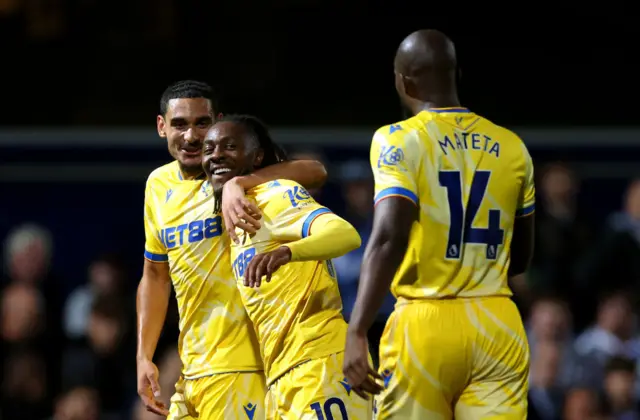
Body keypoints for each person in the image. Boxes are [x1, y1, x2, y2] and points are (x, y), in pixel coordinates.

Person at [343, 30, 535, 419]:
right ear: (456, 74)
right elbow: (521, 259)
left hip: (424, 323)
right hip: (498, 322)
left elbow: (388, 237)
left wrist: (357, 328)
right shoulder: (512, 145)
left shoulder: (398, 139)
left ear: (404, 80)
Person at [136, 80, 328, 419]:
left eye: (202, 123)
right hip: (191, 370)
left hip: (245, 366)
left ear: (218, 124)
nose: (192, 136)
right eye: (180, 124)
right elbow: (155, 275)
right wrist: (143, 355)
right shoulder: (158, 185)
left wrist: (241, 183)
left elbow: (315, 171)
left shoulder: (236, 173)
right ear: (161, 127)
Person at [202, 114, 373, 420]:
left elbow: (345, 234)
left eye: (229, 146)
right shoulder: (235, 218)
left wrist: (286, 252)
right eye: (209, 148)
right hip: (282, 378)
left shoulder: (275, 195)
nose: (216, 154)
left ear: (256, 156)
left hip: (319, 364)